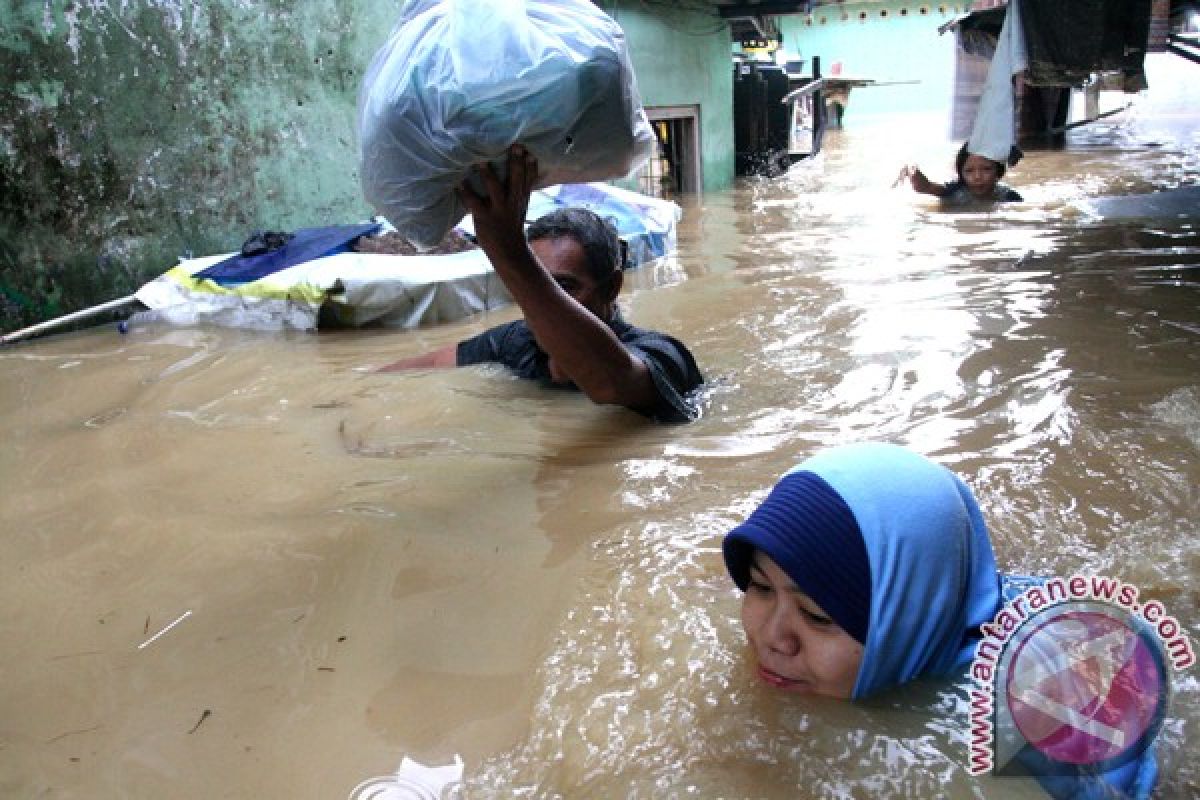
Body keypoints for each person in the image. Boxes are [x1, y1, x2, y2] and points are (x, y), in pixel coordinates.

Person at [722, 442, 1158, 798]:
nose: (772, 637)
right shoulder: (908, 618)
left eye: (816, 616)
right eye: (761, 588)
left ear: (907, 620)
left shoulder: (1018, 725)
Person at [378, 145, 703, 424]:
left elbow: (609, 385)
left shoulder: (664, 355)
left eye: (566, 286)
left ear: (611, 288)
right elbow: (434, 362)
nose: (542, 300)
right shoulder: (518, 341)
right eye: (537, 284)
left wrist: (509, 254)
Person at [901, 143, 1023, 206]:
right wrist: (912, 170)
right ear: (961, 174)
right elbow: (924, 187)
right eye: (969, 171)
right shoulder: (953, 191)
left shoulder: (1009, 196)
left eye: (986, 169)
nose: (977, 177)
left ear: (998, 172)